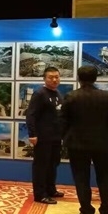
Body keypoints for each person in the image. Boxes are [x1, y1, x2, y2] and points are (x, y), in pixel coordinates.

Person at [60, 66, 108, 214]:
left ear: (78, 78)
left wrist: (66, 138)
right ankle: (106, 211)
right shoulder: (107, 96)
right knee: (105, 177)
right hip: (103, 143)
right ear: (95, 78)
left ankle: (86, 211)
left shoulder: (71, 96)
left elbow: (63, 121)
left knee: (81, 177)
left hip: (77, 144)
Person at [25, 66, 65, 205]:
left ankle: (50, 189)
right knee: (41, 166)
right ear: (44, 79)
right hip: (42, 137)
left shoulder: (58, 93)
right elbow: (31, 115)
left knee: (53, 164)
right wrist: (32, 134)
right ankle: (40, 194)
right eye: (51, 77)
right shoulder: (39, 94)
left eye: (57, 77)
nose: (54, 80)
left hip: (55, 137)